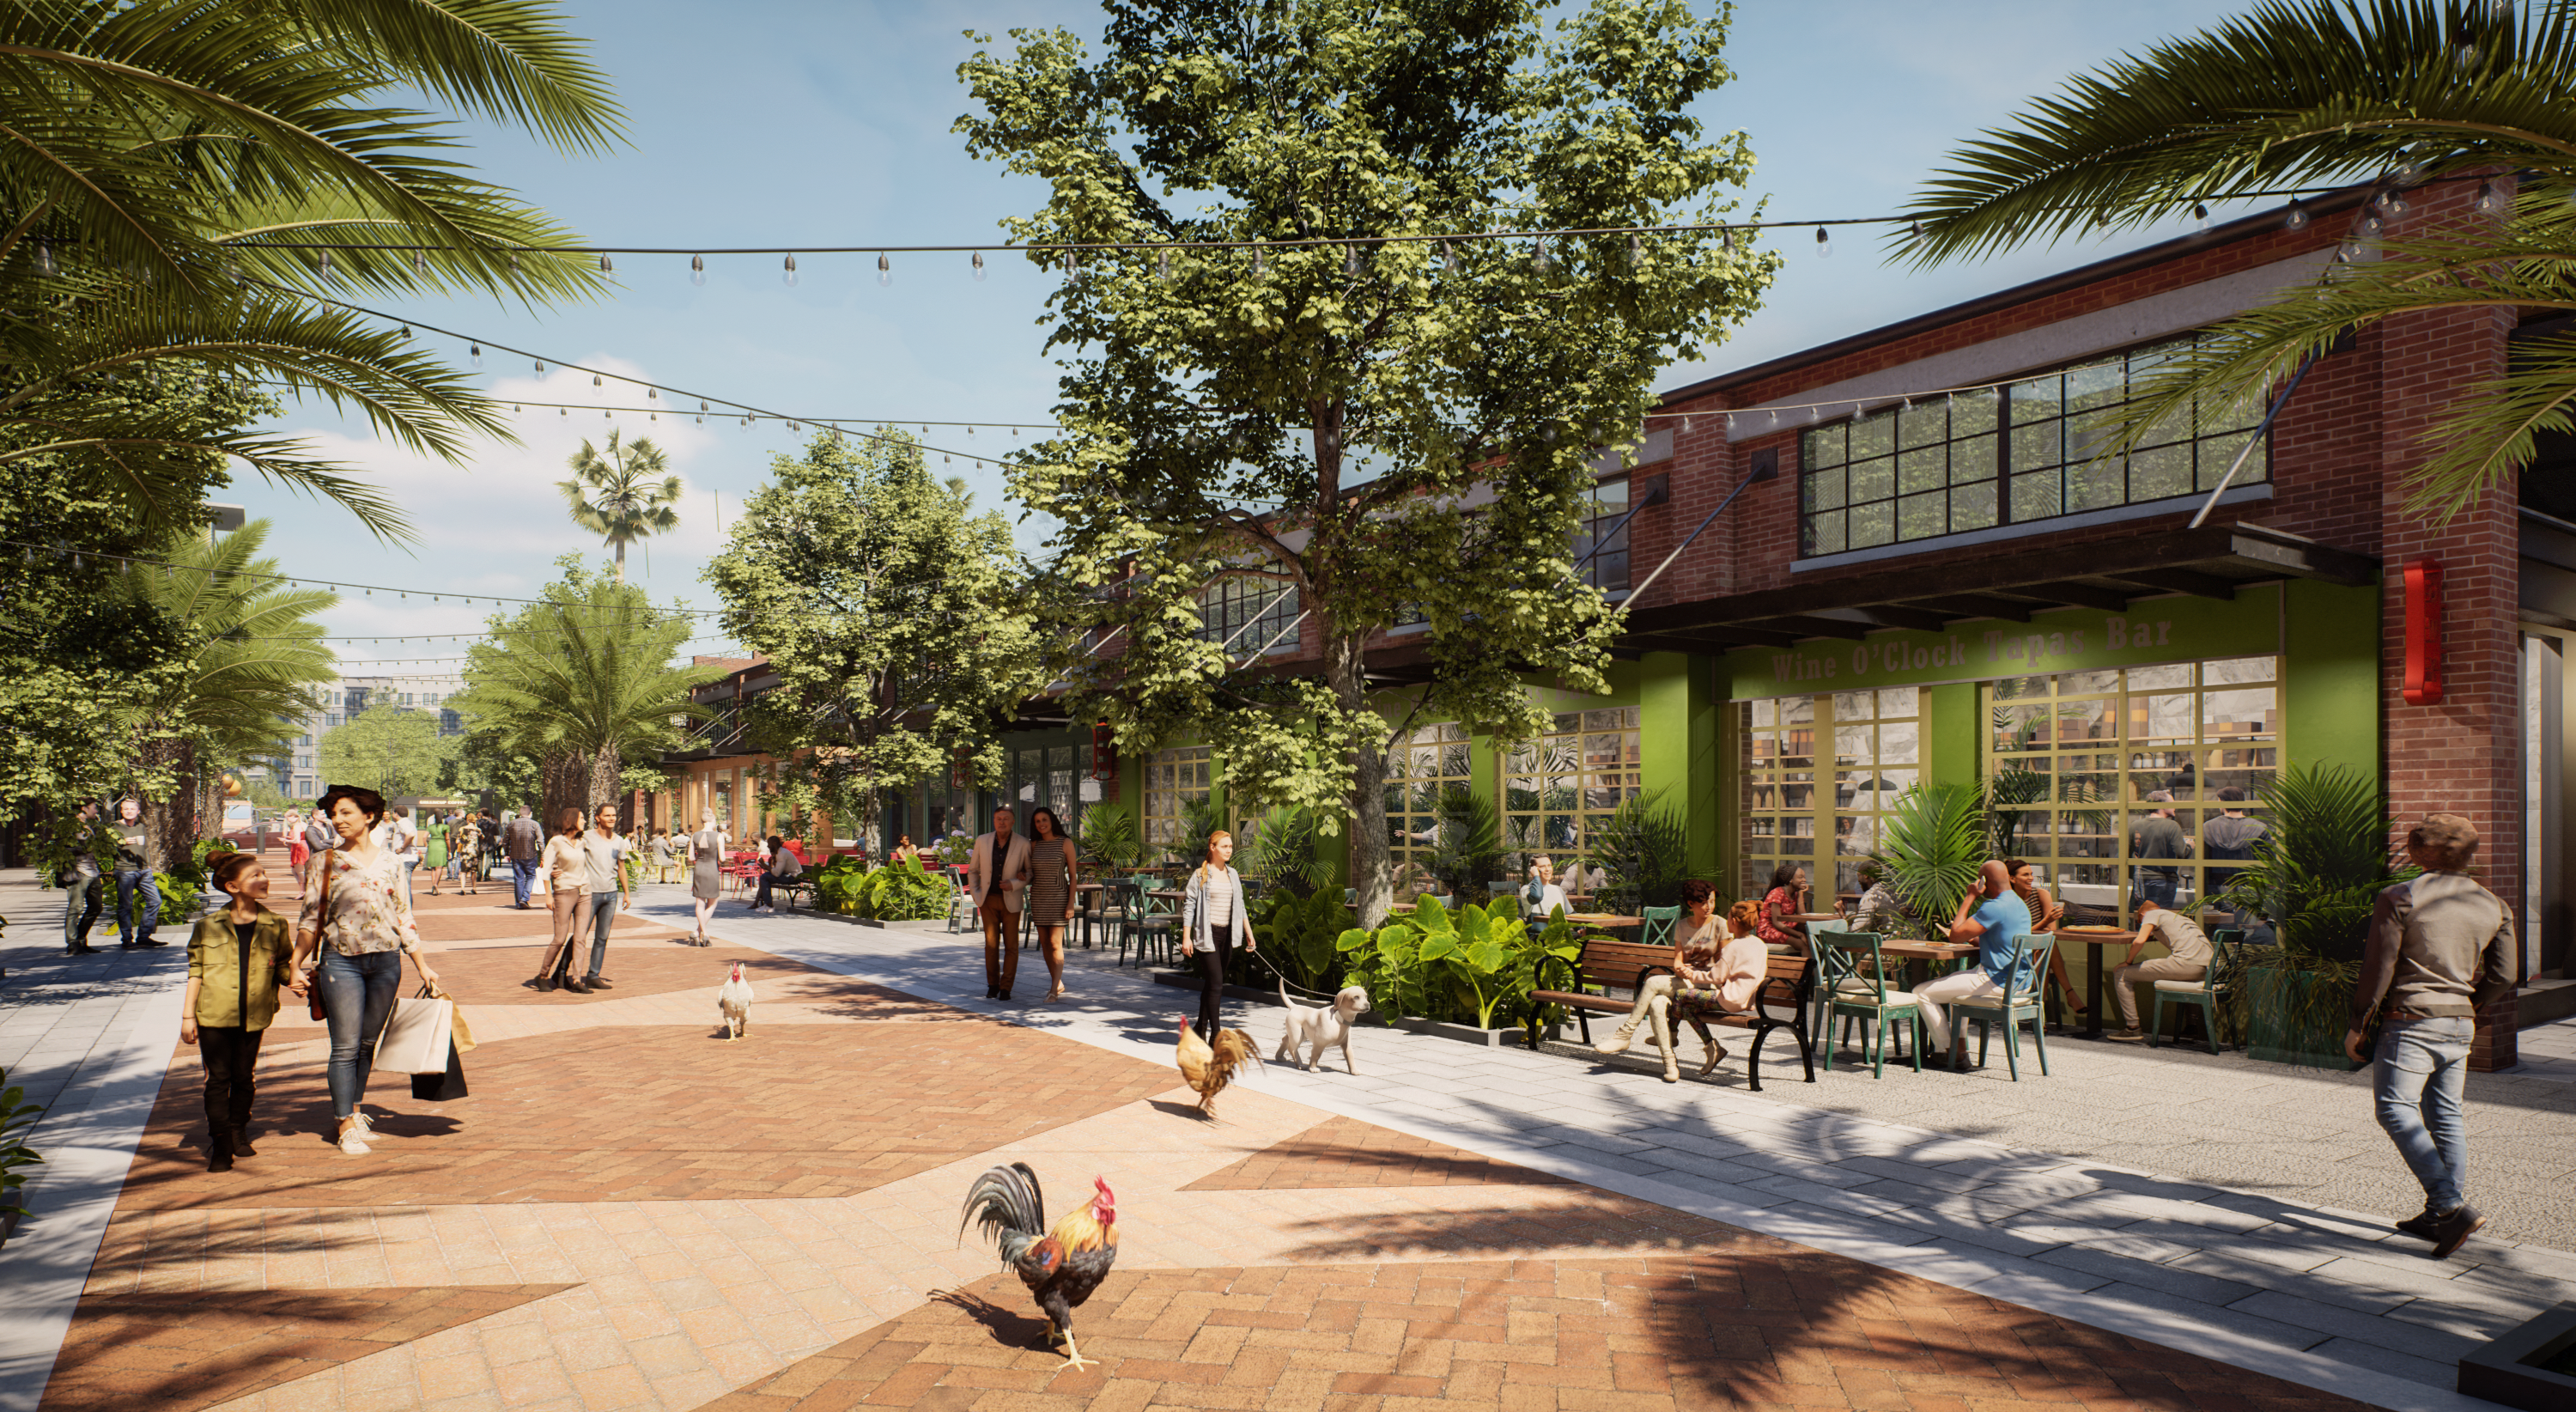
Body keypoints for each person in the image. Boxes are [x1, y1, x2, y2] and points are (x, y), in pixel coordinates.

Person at [2348, 813, 2515, 1260]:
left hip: (2411, 1021)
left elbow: (2379, 967)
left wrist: (2359, 1024)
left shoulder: (2400, 896)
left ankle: (2449, 1206)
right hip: (2460, 1022)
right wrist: (2470, 1004)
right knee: (2446, 1115)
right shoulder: (2494, 904)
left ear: (2417, 849)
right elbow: (2505, 974)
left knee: (2395, 1110)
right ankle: (2438, 1218)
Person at [293, 784, 440, 1156]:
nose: (338, 820)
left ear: (369, 816)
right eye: (334, 814)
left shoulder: (392, 862)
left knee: (367, 1044)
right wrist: (295, 964)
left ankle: (355, 1111)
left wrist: (422, 965)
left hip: (387, 962)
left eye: (346, 813)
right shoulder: (323, 862)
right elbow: (310, 919)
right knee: (345, 1047)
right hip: (341, 962)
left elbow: (403, 915)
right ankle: (344, 1124)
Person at [183, 852, 300, 1172]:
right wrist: (187, 1016)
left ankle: (238, 1130)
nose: (264, 879)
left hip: (254, 1014)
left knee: (244, 1078)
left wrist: (296, 979)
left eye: (264, 873)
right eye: (255, 875)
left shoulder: (276, 924)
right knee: (218, 1079)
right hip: (213, 1014)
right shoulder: (207, 926)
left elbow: (283, 965)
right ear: (233, 887)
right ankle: (221, 1143)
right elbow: (196, 971)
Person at [1911, 860, 2032, 1068]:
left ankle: (1949, 1051)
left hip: (1998, 983)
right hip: (2022, 985)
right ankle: (1959, 1048)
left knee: (1921, 992)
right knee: (1954, 985)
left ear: (1984, 881)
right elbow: (2001, 939)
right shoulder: (2019, 904)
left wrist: (1970, 896)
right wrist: (1975, 938)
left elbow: (1956, 936)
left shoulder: (1995, 906)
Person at [2101, 897, 2213, 1043]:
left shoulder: (2152, 914)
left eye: (2140, 921)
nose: (2141, 924)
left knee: (2122, 974)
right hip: (2209, 970)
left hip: (2187, 964)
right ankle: (2191, 1026)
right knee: (2189, 978)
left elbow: (2139, 940)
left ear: (2142, 914)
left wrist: (2128, 962)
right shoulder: (2179, 918)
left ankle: (2132, 1028)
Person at [1180, 829, 1256, 1041]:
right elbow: (1189, 907)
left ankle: (1199, 1029)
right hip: (1208, 934)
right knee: (1216, 984)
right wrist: (1186, 937)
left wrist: (1248, 933)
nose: (1229, 850)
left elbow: (1240, 905)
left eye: (1230, 846)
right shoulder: (1200, 875)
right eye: (1224, 846)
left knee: (1212, 985)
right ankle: (1216, 1035)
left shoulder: (1233, 874)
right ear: (1212, 848)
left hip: (1227, 935)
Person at [2005, 857, 2083, 1020]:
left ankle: (2040, 1014)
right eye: (2025, 875)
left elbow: (2051, 930)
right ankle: (2068, 994)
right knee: (2045, 946)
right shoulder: (2008, 901)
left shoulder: (2040, 894)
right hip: (2014, 950)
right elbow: (2014, 935)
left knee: (2044, 946)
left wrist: (2042, 927)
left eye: (2031, 874)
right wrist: (2044, 921)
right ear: (2012, 878)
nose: (2031, 878)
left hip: (2037, 950)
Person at [969, 806, 1029, 1001]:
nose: (1002, 822)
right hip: (988, 900)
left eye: (1006, 818)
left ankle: (1006, 988)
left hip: (1011, 900)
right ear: (994, 821)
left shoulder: (1023, 843)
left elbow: (1030, 873)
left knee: (1011, 946)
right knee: (991, 945)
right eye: (998, 818)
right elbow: (973, 870)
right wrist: (976, 894)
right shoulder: (982, 840)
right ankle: (993, 985)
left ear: (1013, 821)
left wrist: (1015, 883)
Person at [529, 808, 592, 991]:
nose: (585, 821)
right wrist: (548, 895)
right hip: (564, 893)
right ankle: (542, 975)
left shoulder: (584, 842)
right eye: (581, 818)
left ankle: (577, 979)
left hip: (585, 893)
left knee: (580, 938)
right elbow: (546, 870)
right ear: (571, 820)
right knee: (559, 938)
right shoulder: (556, 842)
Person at [1024, 807, 1078, 1003]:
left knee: (1055, 943)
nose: (1041, 824)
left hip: (1059, 898)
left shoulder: (1065, 843)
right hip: (1038, 898)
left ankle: (1053, 989)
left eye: (1044, 820)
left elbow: (1073, 877)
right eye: (1037, 821)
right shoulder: (1033, 845)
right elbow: (1028, 872)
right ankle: (1058, 982)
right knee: (1045, 944)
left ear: (1052, 820)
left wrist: (1070, 903)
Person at [570, 805, 628, 989]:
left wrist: (626, 893)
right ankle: (563, 973)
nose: (612, 818)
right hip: (589, 894)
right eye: (607, 815)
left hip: (610, 894)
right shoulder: (586, 837)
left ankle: (593, 975)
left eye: (614, 815)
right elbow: (570, 856)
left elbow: (621, 867)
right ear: (597, 818)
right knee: (579, 936)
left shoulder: (619, 841)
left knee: (602, 937)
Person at [109, 797, 165, 948]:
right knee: (125, 906)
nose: (129, 811)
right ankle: (127, 939)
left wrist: (148, 865)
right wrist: (121, 843)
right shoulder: (114, 827)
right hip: (125, 871)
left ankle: (144, 937)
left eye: (132, 809)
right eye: (126, 809)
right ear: (121, 811)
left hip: (143, 870)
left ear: (138, 811)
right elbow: (107, 848)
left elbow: (144, 848)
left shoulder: (140, 827)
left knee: (155, 901)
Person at [1757, 862, 1842, 956]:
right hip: (1769, 930)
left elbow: (1802, 918)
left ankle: (1821, 962)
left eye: (1804, 877)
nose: (1804, 880)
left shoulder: (1796, 894)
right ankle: (1810, 966)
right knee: (1803, 944)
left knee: (1811, 932)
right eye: (1800, 877)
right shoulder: (1777, 893)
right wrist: (1799, 934)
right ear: (1791, 880)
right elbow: (1776, 923)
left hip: (1786, 927)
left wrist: (1801, 894)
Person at [2130, 792, 2192, 910]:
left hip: (2141, 879)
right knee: (2160, 917)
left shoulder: (2135, 825)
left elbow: (2127, 854)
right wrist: (2189, 846)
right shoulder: (2172, 826)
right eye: (2172, 803)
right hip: (2164, 880)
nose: (2175, 807)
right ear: (2162, 805)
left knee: (2140, 916)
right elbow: (2182, 853)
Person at [60, 800, 104, 955]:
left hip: (93, 872)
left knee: (96, 907)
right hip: (78, 873)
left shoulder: (89, 826)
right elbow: (63, 848)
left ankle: (80, 939)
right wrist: (83, 847)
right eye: (94, 808)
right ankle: (73, 943)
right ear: (84, 808)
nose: (96, 811)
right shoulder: (70, 826)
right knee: (75, 908)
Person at [687, 812, 727, 944]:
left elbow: (691, 857)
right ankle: (703, 933)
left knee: (700, 902)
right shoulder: (719, 836)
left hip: (699, 869)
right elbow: (722, 858)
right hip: (711, 870)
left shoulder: (695, 835)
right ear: (713, 820)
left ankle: (698, 932)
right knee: (713, 902)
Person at [501, 807, 544, 909]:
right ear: (530, 813)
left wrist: (506, 853)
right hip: (530, 855)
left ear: (520, 813)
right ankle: (524, 898)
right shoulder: (534, 824)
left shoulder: (511, 824)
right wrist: (543, 855)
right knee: (531, 876)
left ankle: (519, 903)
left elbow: (506, 840)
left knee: (519, 878)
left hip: (515, 855)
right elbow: (540, 841)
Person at [1848, 861, 1904, 937]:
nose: (1858, 880)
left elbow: (1857, 930)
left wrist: (1844, 926)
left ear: (1865, 876)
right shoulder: (1888, 891)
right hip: (1897, 937)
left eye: (1859, 875)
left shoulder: (1871, 896)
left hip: (1883, 941)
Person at [753, 833, 802, 912]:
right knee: (765, 876)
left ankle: (768, 905)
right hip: (790, 875)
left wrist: (764, 865)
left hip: (794, 877)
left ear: (774, 843)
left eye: (769, 844)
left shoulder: (782, 853)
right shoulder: (779, 852)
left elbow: (776, 873)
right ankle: (765, 904)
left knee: (764, 877)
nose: (768, 846)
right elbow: (777, 871)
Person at [1521, 856, 1569, 926]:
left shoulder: (1558, 889)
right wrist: (1536, 876)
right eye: (1542, 866)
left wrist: (1580, 928)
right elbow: (1536, 897)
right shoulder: (1527, 889)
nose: (1547, 869)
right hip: (1539, 932)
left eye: (1549, 866)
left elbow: (1569, 913)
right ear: (1534, 870)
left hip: (1559, 931)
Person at [451, 813, 483, 897]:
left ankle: (463, 888)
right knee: (474, 871)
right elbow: (482, 837)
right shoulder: (477, 829)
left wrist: (463, 840)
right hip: (474, 852)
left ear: (467, 820)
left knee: (464, 871)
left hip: (465, 852)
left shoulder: (462, 829)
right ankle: (474, 888)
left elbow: (457, 841)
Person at [422, 810, 449, 895]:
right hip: (441, 845)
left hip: (432, 845)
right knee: (439, 867)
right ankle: (436, 884)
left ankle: (433, 885)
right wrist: (449, 850)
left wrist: (426, 845)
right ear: (442, 817)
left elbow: (424, 837)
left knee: (433, 868)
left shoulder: (430, 827)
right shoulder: (445, 827)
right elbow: (447, 839)